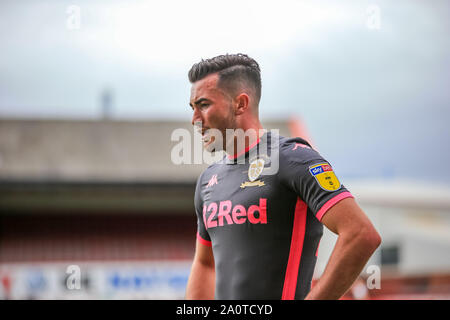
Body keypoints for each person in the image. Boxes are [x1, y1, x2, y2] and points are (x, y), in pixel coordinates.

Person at [185, 53, 381, 300]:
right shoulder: (208, 181)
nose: (194, 120)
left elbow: (361, 234)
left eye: (203, 105)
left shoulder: (293, 159)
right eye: (193, 108)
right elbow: (205, 264)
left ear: (240, 104)